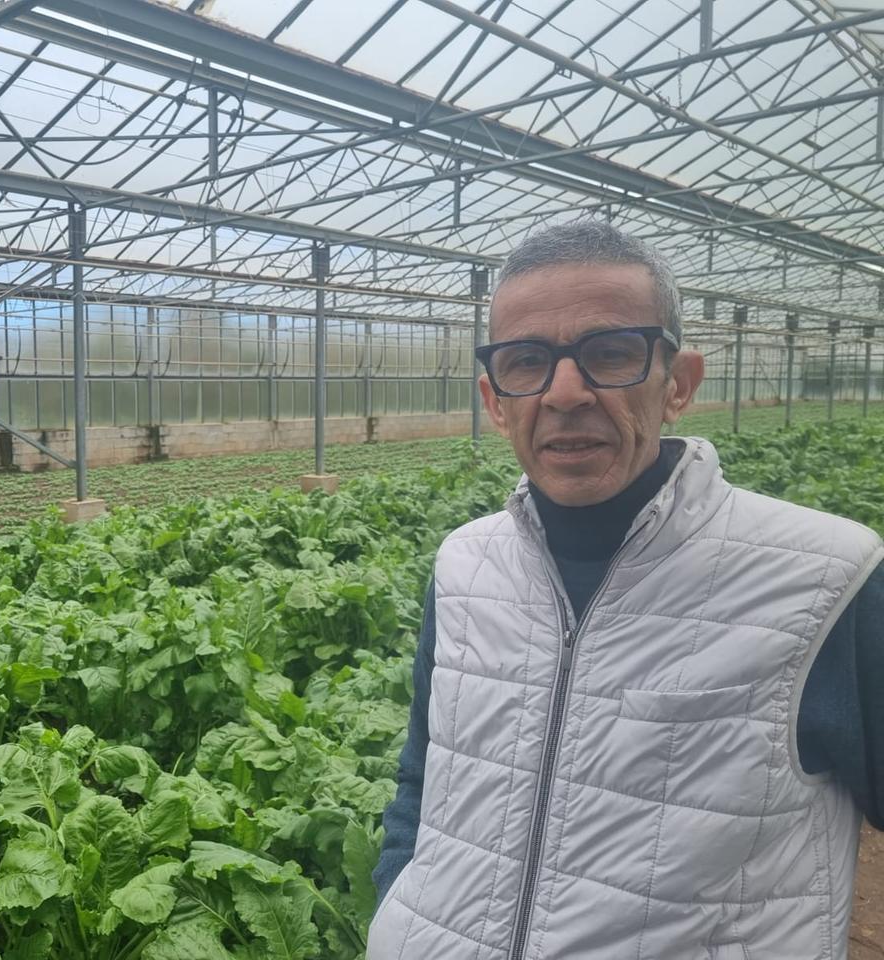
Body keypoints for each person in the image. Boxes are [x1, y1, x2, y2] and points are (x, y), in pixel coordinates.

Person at [366, 220, 884, 960]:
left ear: (677, 384)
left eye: (609, 354)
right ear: (494, 399)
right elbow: (424, 780)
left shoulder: (828, 581)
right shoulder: (463, 566)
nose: (565, 391)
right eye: (526, 362)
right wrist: (400, 908)